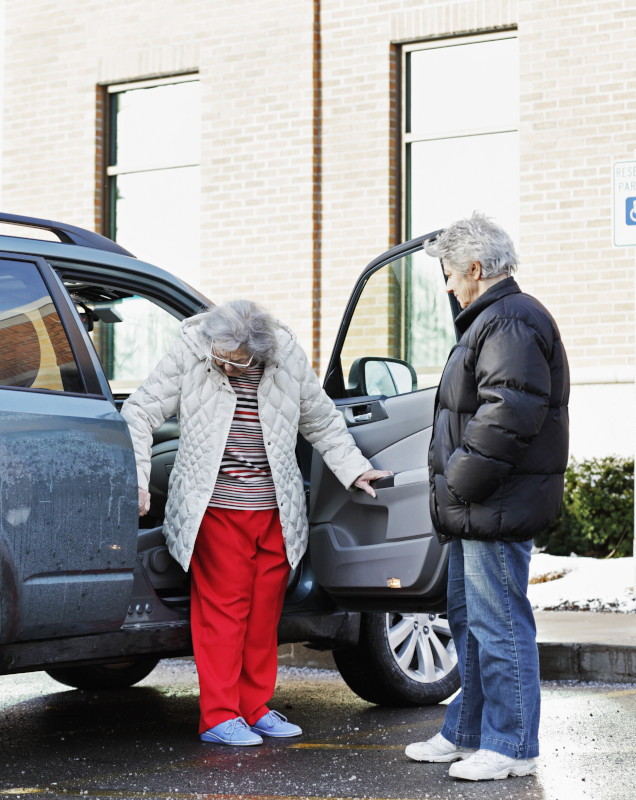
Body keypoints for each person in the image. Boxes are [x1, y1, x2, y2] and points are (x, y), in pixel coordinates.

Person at [122, 299, 390, 746]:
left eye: (236, 361)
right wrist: (137, 479)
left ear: (260, 352)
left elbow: (321, 419)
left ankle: (254, 707)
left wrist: (355, 468)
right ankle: (219, 716)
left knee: (264, 614)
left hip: (275, 508)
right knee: (224, 613)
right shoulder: (193, 349)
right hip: (216, 506)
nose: (226, 367)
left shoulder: (285, 356)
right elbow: (140, 411)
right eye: (220, 358)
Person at [404, 212, 569, 781]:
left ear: (475, 268)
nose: (447, 286)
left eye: (450, 274)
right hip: (478, 507)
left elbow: (509, 413)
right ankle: (468, 731)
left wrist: (459, 482)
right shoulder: (494, 319)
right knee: (471, 619)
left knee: (498, 624)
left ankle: (513, 743)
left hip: (492, 505)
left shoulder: (510, 321)